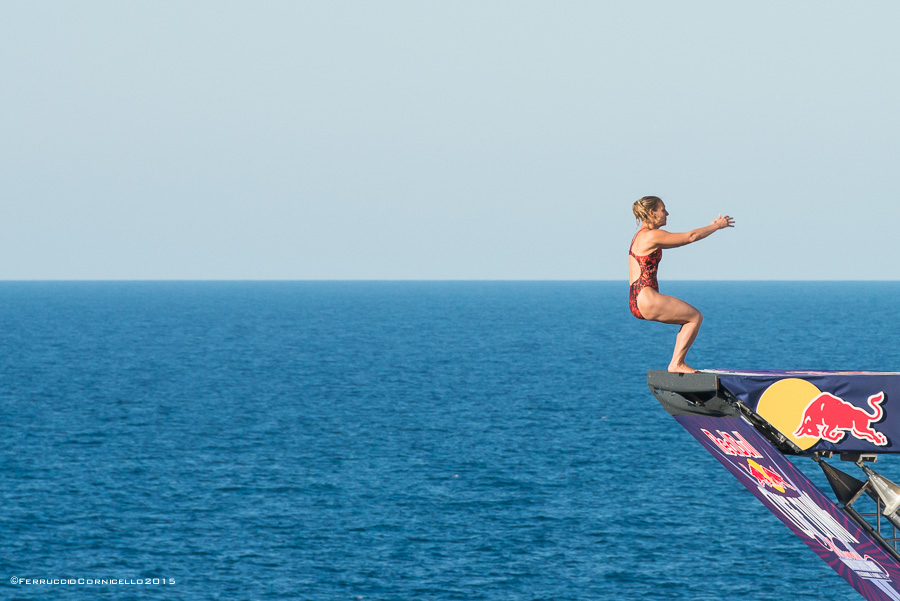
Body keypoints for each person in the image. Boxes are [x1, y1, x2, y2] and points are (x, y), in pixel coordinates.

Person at [628, 196, 734, 373]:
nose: (667, 213)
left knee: (691, 317)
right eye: (663, 209)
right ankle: (676, 363)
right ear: (652, 213)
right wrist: (717, 226)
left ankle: (677, 363)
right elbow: (690, 237)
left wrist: (708, 227)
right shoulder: (652, 235)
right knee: (694, 317)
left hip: (636, 299)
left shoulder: (641, 236)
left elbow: (681, 240)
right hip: (647, 297)